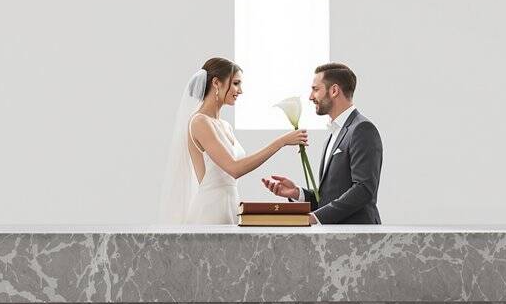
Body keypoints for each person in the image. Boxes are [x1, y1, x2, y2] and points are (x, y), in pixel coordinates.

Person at [159, 57, 308, 224]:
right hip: (211, 210)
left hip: (231, 205)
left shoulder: (225, 126)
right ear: (216, 83)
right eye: (236, 83)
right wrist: (281, 142)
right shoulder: (199, 122)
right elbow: (234, 169)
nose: (240, 90)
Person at [261, 63, 383, 224]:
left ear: (334, 90)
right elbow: (329, 197)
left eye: (315, 89)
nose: (311, 97)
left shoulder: (362, 129)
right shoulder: (333, 136)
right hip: (334, 237)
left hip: (358, 236)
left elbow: (363, 189)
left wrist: (315, 218)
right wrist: (297, 193)